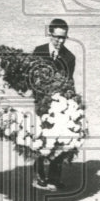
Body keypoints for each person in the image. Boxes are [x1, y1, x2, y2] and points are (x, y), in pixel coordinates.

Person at [31, 18, 76, 191]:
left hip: (59, 105)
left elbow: (68, 82)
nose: (60, 41)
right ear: (50, 34)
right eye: (57, 37)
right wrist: (41, 99)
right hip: (42, 103)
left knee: (60, 138)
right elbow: (32, 78)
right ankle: (39, 176)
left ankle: (55, 177)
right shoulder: (39, 52)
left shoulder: (69, 57)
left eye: (64, 37)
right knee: (40, 139)